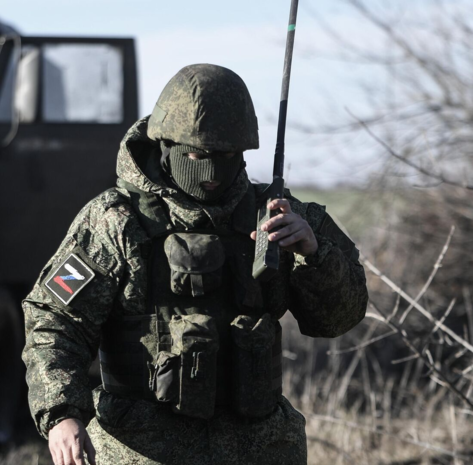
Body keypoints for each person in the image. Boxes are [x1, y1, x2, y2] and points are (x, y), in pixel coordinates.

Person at [22, 64, 368, 465]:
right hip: (141, 448)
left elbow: (339, 319)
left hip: (260, 448)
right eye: (198, 156)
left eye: (226, 156)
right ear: (167, 146)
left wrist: (314, 255)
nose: (212, 172)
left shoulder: (281, 217)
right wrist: (62, 414)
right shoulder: (115, 222)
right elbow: (53, 319)